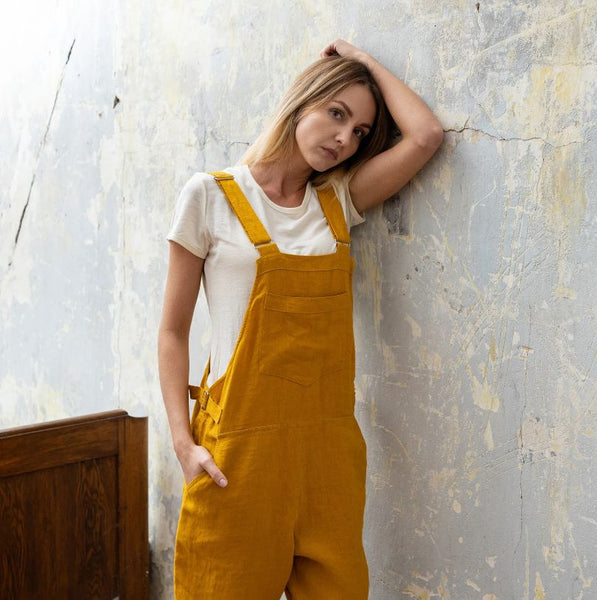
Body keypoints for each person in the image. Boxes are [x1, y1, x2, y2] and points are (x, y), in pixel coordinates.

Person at [158, 39, 443, 600]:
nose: (344, 138)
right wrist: (181, 442)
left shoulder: (338, 201)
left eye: (360, 131)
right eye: (336, 113)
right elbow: (172, 330)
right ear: (300, 103)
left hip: (328, 457)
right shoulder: (210, 196)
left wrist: (360, 59)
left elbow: (427, 136)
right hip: (238, 456)